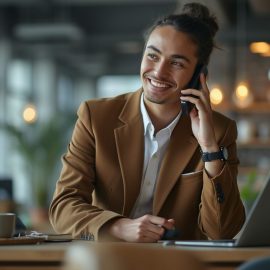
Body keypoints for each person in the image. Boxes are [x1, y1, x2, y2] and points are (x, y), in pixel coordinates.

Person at [49, 3, 245, 242]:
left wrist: (209, 149)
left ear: (198, 76)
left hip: (179, 265)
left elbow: (222, 231)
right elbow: (63, 207)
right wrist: (119, 227)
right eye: (152, 56)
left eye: (176, 63)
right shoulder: (96, 117)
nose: (159, 72)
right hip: (108, 260)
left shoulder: (220, 132)